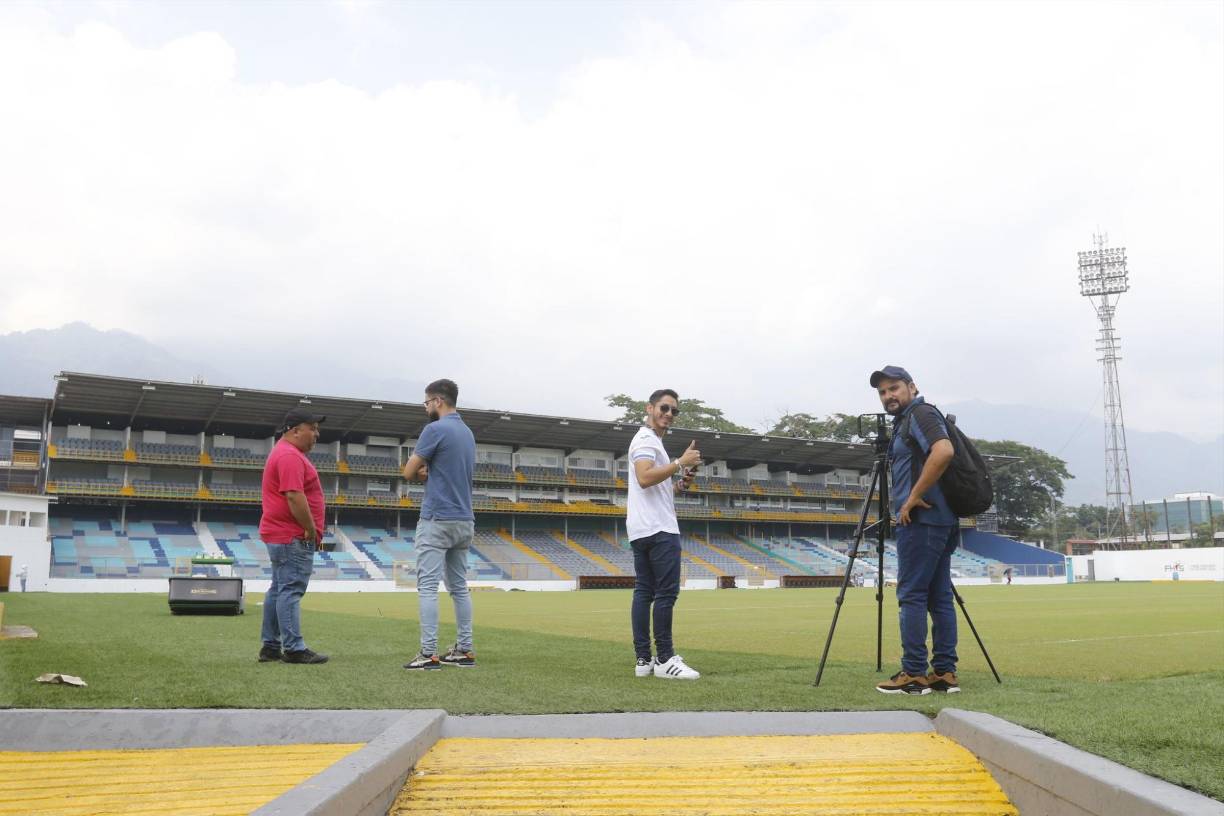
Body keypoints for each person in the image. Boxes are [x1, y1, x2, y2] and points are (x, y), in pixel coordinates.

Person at [870, 366, 960, 695]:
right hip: (940, 519)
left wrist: (912, 497)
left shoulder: (920, 414)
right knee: (939, 597)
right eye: (882, 392)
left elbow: (944, 450)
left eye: (894, 388)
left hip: (921, 520)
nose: (888, 396)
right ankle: (944, 673)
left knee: (911, 595)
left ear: (912, 387)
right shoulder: (912, 419)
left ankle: (913, 673)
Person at [401, 379, 477, 671]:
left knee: (428, 587)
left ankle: (429, 653)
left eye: (426, 402)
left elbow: (408, 472)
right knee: (459, 588)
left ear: (438, 401)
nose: (425, 408)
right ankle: (464, 650)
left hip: (437, 518)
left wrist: (422, 470)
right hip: (464, 518)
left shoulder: (434, 429)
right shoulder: (467, 432)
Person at [627, 389, 703, 680]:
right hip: (659, 529)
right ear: (650, 408)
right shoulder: (646, 439)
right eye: (664, 408)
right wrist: (680, 461)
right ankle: (665, 659)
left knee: (644, 592)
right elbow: (644, 478)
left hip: (642, 527)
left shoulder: (650, 442)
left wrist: (683, 481)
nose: (669, 414)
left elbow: (659, 489)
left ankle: (644, 659)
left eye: (674, 410)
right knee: (666, 593)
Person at [258, 407, 329, 665]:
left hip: (280, 533)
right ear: (296, 430)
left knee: (278, 589)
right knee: (290, 590)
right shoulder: (290, 456)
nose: (317, 434)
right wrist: (310, 528)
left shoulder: (283, 452)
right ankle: (294, 648)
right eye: (313, 428)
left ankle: (270, 646)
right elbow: (294, 496)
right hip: (292, 535)